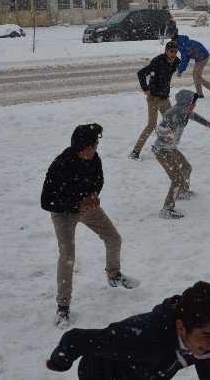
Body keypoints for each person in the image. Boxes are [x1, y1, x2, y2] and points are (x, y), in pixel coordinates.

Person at [41, 123, 139, 328]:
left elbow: (98, 179)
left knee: (114, 238)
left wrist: (94, 194)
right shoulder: (60, 165)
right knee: (67, 257)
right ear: (85, 147)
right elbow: (46, 200)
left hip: (88, 208)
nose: (96, 148)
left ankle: (114, 275)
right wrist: (77, 204)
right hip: (63, 213)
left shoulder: (94, 158)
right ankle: (63, 307)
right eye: (94, 145)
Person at [46, 281, 210, 379]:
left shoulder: (202, 342)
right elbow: (74, 340)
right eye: (208, 335)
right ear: (181, 327)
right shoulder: (140, 338)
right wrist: (59, 363)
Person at [152, 89, 210, 219]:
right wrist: (167, 132)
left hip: (172, 148)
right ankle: (167, 209)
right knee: (176, 179)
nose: (194, 105)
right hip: (162, 150)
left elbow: (196, 116)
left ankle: (182, 193)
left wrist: (209, 125)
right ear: (186, 102)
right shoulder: (173, 113)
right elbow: (158, 128)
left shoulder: (186, 112)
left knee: (187, 168)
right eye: (193, 102)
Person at [129, 41, 180, 161]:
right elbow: (141, 73)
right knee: (151, 125)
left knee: (170, 123)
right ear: (166, 51)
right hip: (153, 98)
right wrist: (146, 88)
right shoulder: (157, 61)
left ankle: (164, 146)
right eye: (171, 51)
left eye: (175, 52)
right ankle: (136, 151)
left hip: (165, 98)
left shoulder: (176, 62)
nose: (173, 54)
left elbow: (166, 74)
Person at [174, 34, 210, 100]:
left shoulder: (182, 46)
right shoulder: (186, 41)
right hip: (202, 56)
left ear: (176, 41)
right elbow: (188, 56)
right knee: (196, 76)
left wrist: (180, 71)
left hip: (201, 58)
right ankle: (200, 95)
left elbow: (184, 60)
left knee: (197, 77)